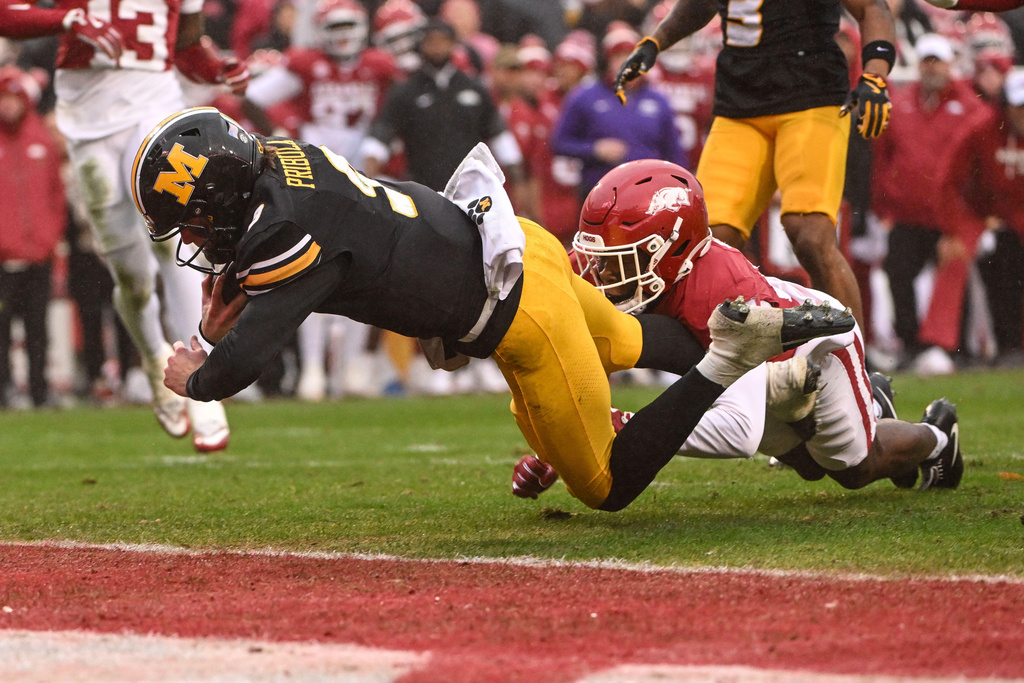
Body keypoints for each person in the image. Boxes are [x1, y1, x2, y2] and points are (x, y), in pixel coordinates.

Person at [131, 107, 853, 511]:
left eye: (191, 221)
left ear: (222, 191)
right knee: (629, 340)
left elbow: (245, 360)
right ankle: (776, 347)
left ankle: (730, 361)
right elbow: (328, 256)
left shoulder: (284, 230)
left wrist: (198, 373)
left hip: (518, 314)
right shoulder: (285, 159)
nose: (192, 239)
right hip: (515, 244)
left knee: (604, 484)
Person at [568, 159, 963, 492]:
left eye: (620, 260)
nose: (602, 273)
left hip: (809, 350)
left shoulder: (724, 296)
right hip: (751, 361)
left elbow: (738, 432)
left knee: (853, 469)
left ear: (672, 249)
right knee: (807, 464)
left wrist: (616, 425)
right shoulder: (610, 264)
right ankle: (873, 403)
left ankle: (938, 437)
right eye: (599, 257)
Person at [0, 0, 248, 451]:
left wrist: (214, 67)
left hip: (155, 112)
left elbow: (186, 45)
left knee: (171, 241)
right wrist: (66, 19)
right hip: (89, 125)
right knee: (131, 278)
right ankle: (154, 357)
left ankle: (202, 377)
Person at [614, 0, 900, 329]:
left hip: (811, 96)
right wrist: (656, 41)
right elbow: (702, 4)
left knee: (810, 236)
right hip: (739, 103)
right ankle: (710, 356)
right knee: (702, 244)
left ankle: (854, 355)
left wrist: (875, 75)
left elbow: (872, 7)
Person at [874, 33, 983, 374]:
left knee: (953, 276)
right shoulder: (901, 104)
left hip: (952, 214)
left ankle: (957, 348)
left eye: (938, 61)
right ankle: (910, 344)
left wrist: (978, 214)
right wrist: (883, 205)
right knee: (898, 273)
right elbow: (883, 157)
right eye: (927, 61)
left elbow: (978, 163)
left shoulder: (970, 106)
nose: (932, 67)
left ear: (950, 64)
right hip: (908, 211)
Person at [942, 67, 1024, 367]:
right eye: (1018, 106)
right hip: (992, 224)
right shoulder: (981, 130)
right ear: (1006, 106)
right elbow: (951, 180)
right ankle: (1004, 346)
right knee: (1000, 271)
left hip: (1016, 222)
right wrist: (958, 227)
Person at [550, 21, 685, 200]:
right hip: (600, 192)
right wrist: (594, 150)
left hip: (649, 194)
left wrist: (678, 187)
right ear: (607, 61)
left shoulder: (658, 100)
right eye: (619, 56)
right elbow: (560, 142)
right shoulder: (584, 96)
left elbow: (674, 152)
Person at [0, 66, 64, 408]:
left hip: (38, 254)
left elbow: (56, 196)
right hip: (3, 257)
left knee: (38, 327)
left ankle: (40, 390)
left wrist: (48, 238)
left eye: (13, 99)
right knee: (2, 327)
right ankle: (4, 391)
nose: (8, 106)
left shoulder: (42, 140)